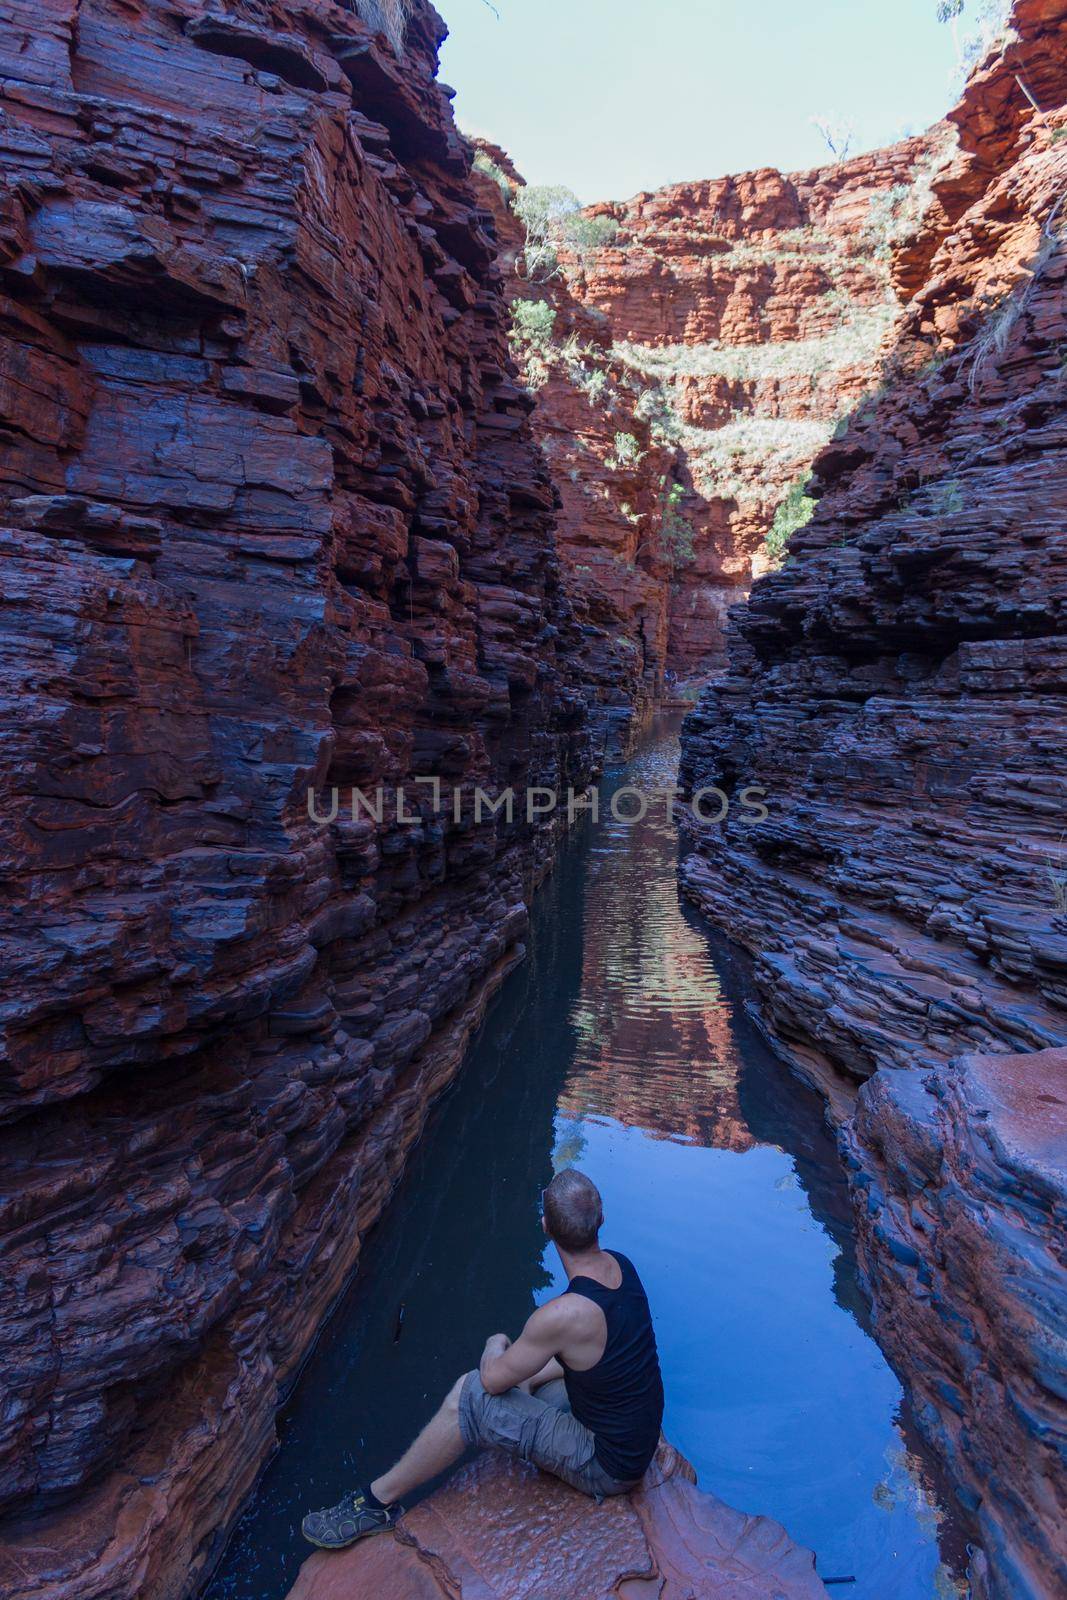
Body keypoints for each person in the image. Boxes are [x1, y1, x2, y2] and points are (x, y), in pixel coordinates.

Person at [301, 1168, 665, 1550]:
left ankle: (375, 1503)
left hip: (607, 1466)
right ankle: (502, 1428)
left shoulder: (563, 1316)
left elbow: (491, 1381)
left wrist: (497, 1341)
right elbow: (598, 1359)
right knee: (531, 1373)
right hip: (633, 1439)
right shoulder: (621, 1266)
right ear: (601, 1218)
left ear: (545, 1226)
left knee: (470, 1394)